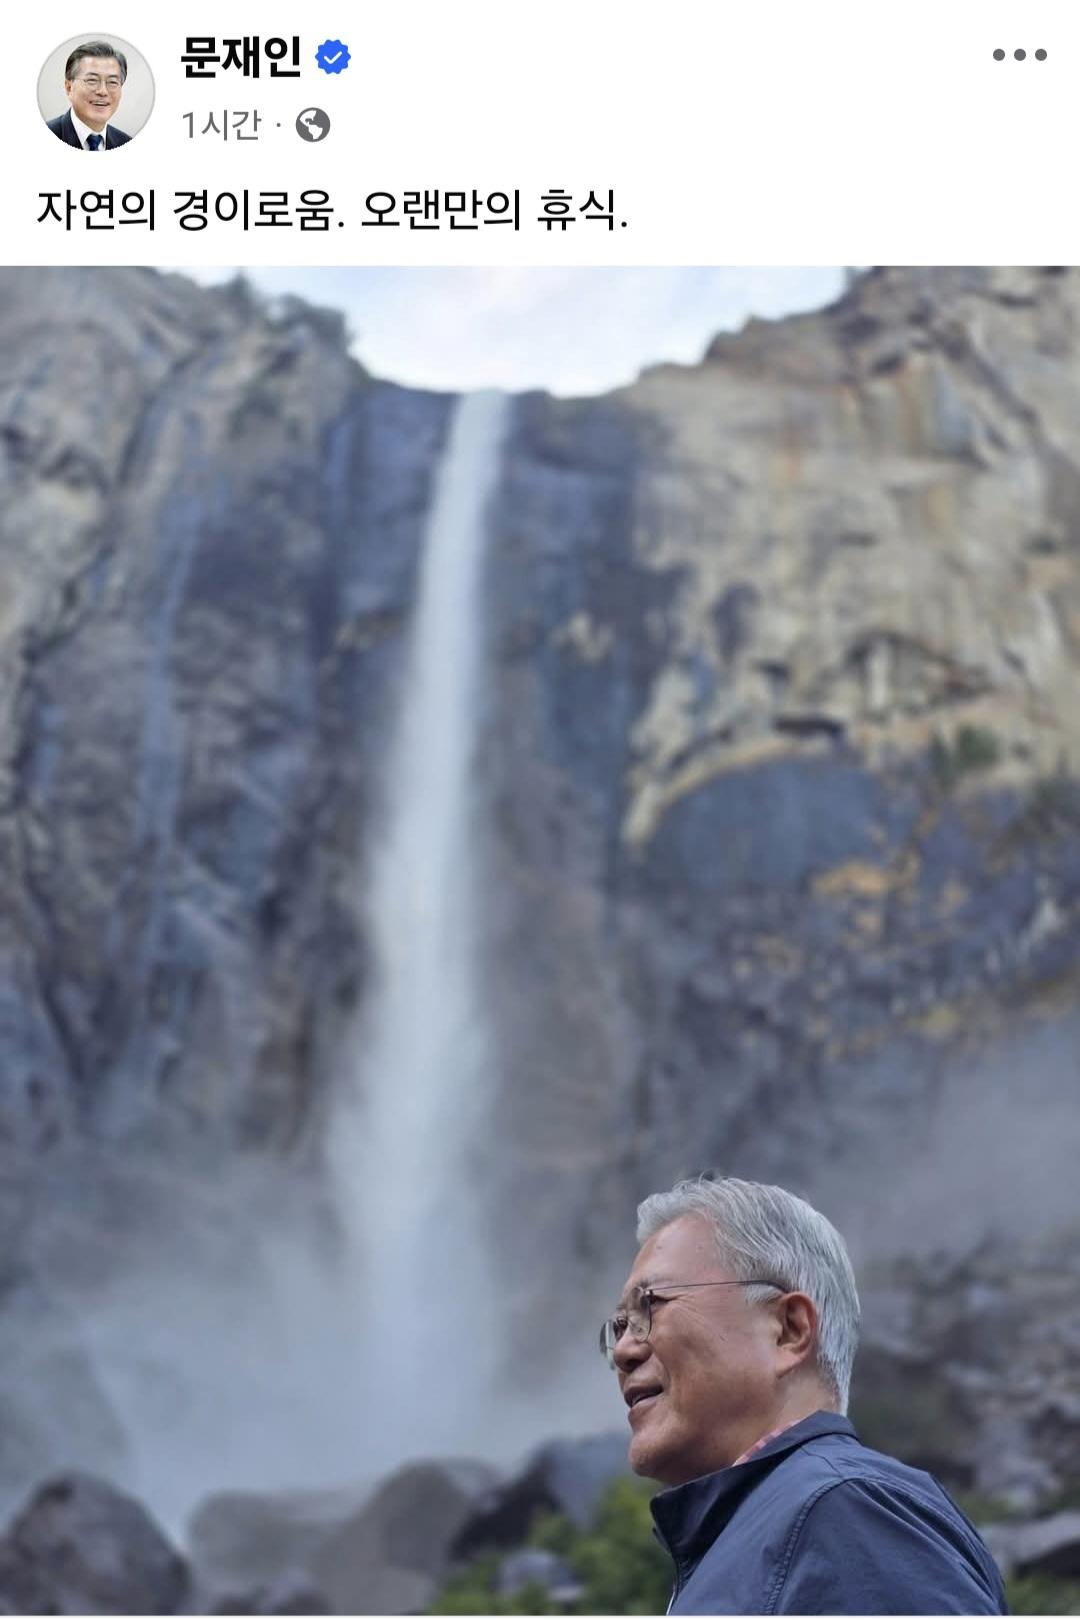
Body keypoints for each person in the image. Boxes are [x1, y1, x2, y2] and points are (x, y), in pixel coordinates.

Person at [601, 1176, 1008, 1614]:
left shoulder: (845, 1511)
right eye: (619, 1326)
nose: (623, 1351)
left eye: (650, 1305)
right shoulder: (770, 1530)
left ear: (789, 1330)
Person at [46, 42, 131, 149]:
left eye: (112, 82)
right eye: (92, 80)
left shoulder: (125, 142)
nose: (103, 91)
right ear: (69, 87)